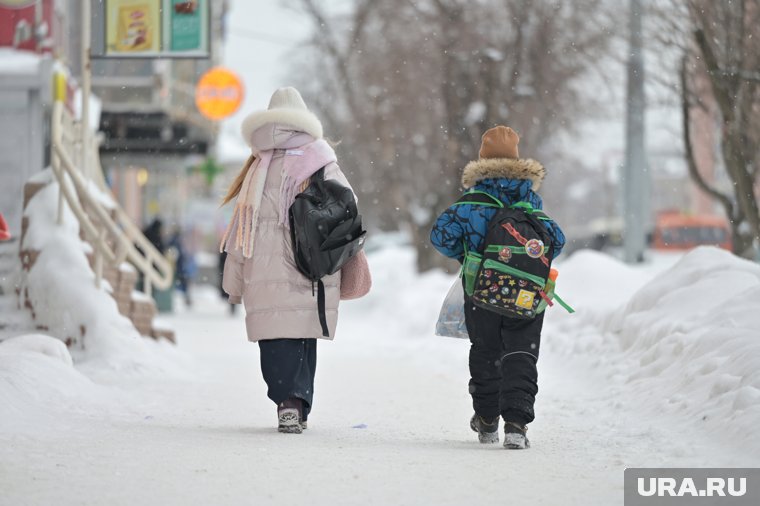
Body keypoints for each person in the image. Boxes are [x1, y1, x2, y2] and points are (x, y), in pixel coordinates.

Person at [220, 87, 362, 434]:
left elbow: (241, 228)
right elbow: (348, 208)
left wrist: (234, 281)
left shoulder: (257, 166)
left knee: (274, 335)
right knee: (302, 335)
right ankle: (297, 400)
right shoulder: (321, 160)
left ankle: (286, 401)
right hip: (308, 263)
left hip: (262, 268)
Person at [430, 126, 565, 449]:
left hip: (482, 290)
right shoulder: (529, 200)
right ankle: (516, 423)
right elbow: (556, 241)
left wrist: (468, 253)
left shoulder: (471, 202)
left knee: (486, 351)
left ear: (481, 159)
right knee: (521, 353)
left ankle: (488, 419)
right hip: (527, 293)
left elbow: (440, 237)